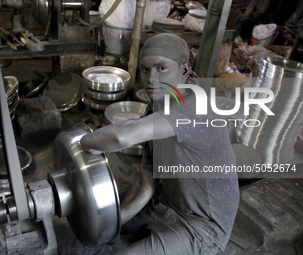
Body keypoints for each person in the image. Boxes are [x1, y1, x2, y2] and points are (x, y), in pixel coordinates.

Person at [80, 33, 239, 255]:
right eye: (145, 69)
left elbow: (121, 136)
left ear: (184, 69)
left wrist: (81, 143)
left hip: (201, 226)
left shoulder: (195, 108)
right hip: (164, 201)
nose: (151, 78)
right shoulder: (158, 105)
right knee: (101, 218)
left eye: (161, 68)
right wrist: (112, 224)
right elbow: (146, 185)